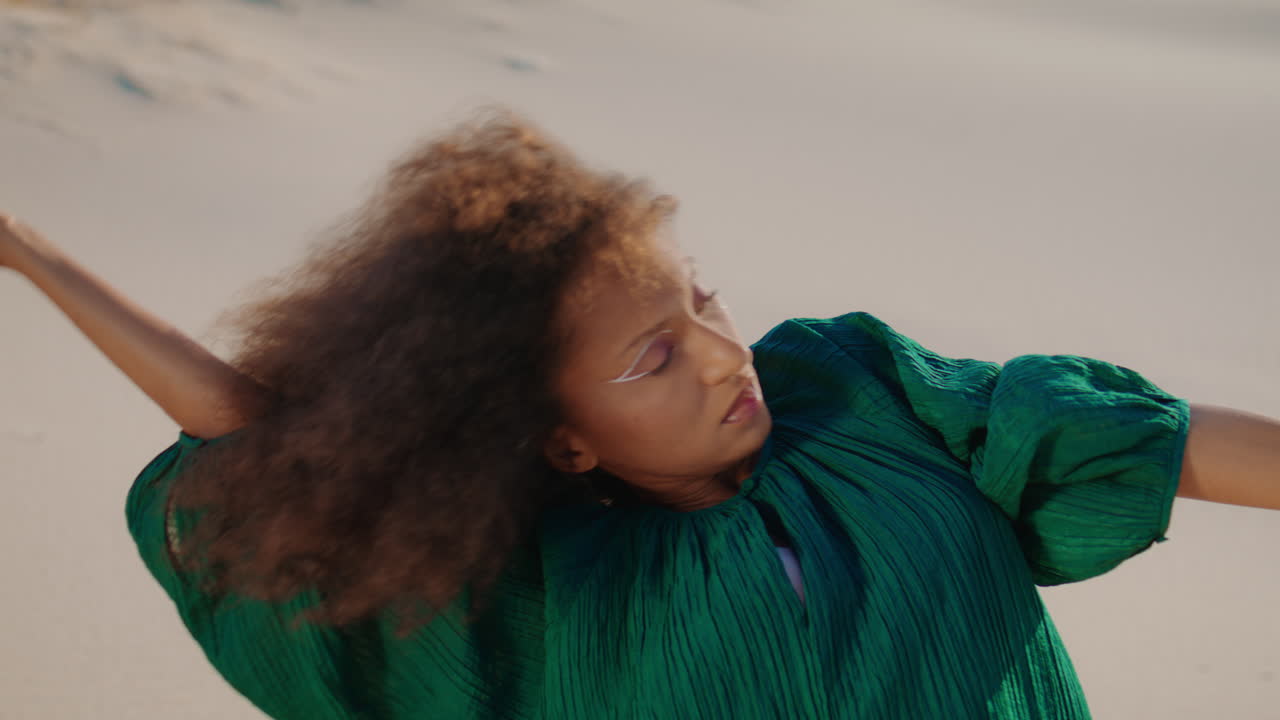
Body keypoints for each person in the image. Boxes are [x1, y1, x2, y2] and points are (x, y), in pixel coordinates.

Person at [2, 112, 1277, 720]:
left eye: (707, 301)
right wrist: (30, 252)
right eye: (657, 355)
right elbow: (248, 439)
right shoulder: (548, 591)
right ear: (560, 439)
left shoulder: (862, 391)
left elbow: (1130, 438)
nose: (730, 358)